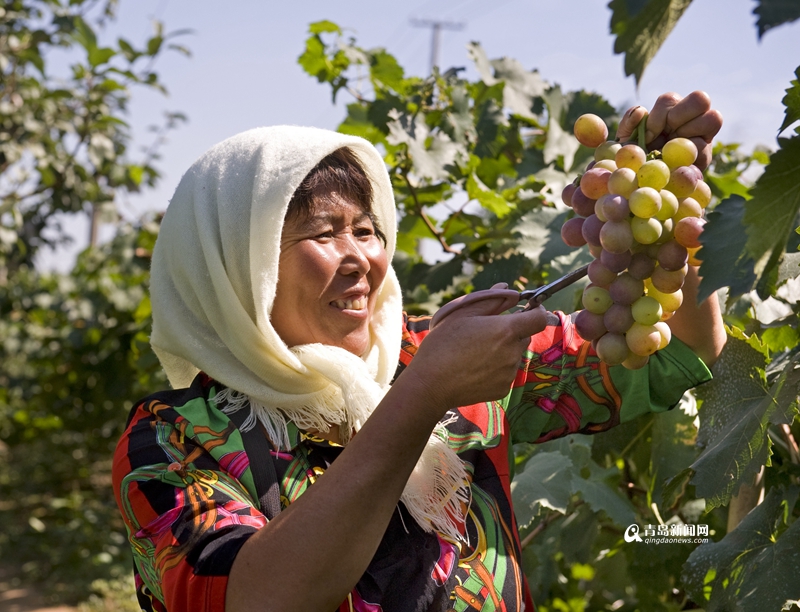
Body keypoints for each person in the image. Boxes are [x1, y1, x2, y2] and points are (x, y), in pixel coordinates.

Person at [112, 91, 725, 612]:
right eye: (325, 232)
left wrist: (681, 197)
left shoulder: (439, 352)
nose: (360, 258)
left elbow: (680, 353)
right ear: (231, 267)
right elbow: (260, 597)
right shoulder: (173, 437)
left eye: (368, 229)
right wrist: (421, 396)